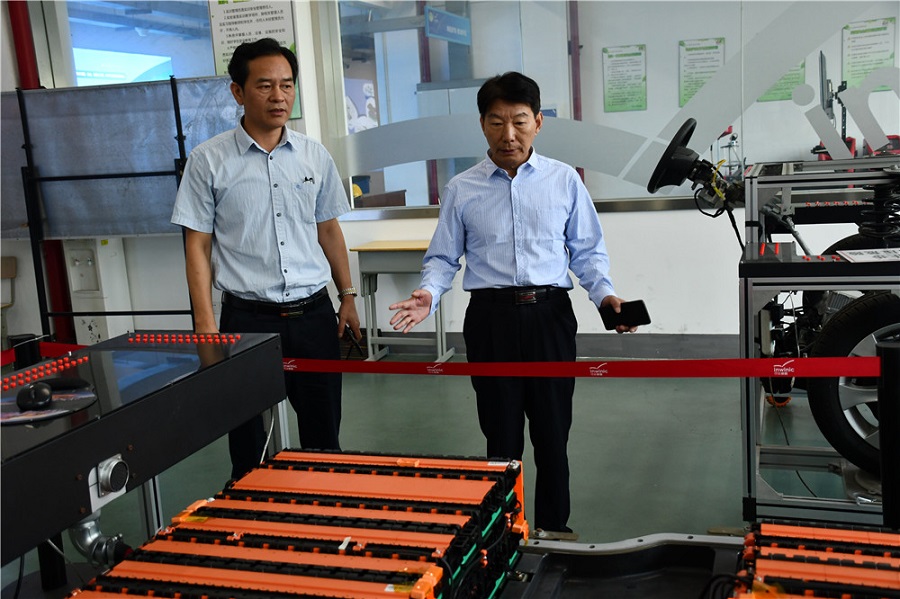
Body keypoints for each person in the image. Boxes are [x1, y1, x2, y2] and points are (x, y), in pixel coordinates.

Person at [389, 71, 637, 539]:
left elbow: (587, 252)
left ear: (538, 123)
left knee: (553, 434)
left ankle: (555, 531)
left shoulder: (563, 180)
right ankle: (503, 534)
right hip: (491, 320)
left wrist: (605, 296)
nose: (509, 134)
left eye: (520, 121)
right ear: (482, 124)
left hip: (550, 317)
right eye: (497, 122)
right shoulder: (462, 188)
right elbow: (443, 257)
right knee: (500, 438)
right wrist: (429, 292)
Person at [171, 38, 361, 480]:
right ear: (238, 92)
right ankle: (254, 515)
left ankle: (322, 513)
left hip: (313, 316)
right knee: (247, 442)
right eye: (265, 86)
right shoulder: (208, 161)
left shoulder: (314, 156)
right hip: (247, 321)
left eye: (287, 85)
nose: (279, 96)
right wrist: (205, 326)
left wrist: (347, 295)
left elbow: (328, 230)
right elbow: (197, 246)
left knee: (324, 440)